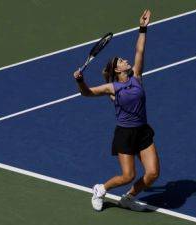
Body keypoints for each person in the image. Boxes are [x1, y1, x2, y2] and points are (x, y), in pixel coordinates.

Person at [73, 9, 160, 211]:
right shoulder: (112, 89)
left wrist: (143, 28)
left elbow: (139, 51)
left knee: (153, 173)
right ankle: (100, 189)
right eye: (121, 61)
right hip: (125, 134)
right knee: (128, 175)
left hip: (142, 131)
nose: (126, 60)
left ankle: (128, 198)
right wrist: (80, 80)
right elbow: (87, 93)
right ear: (117, 70)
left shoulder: (137, 76)